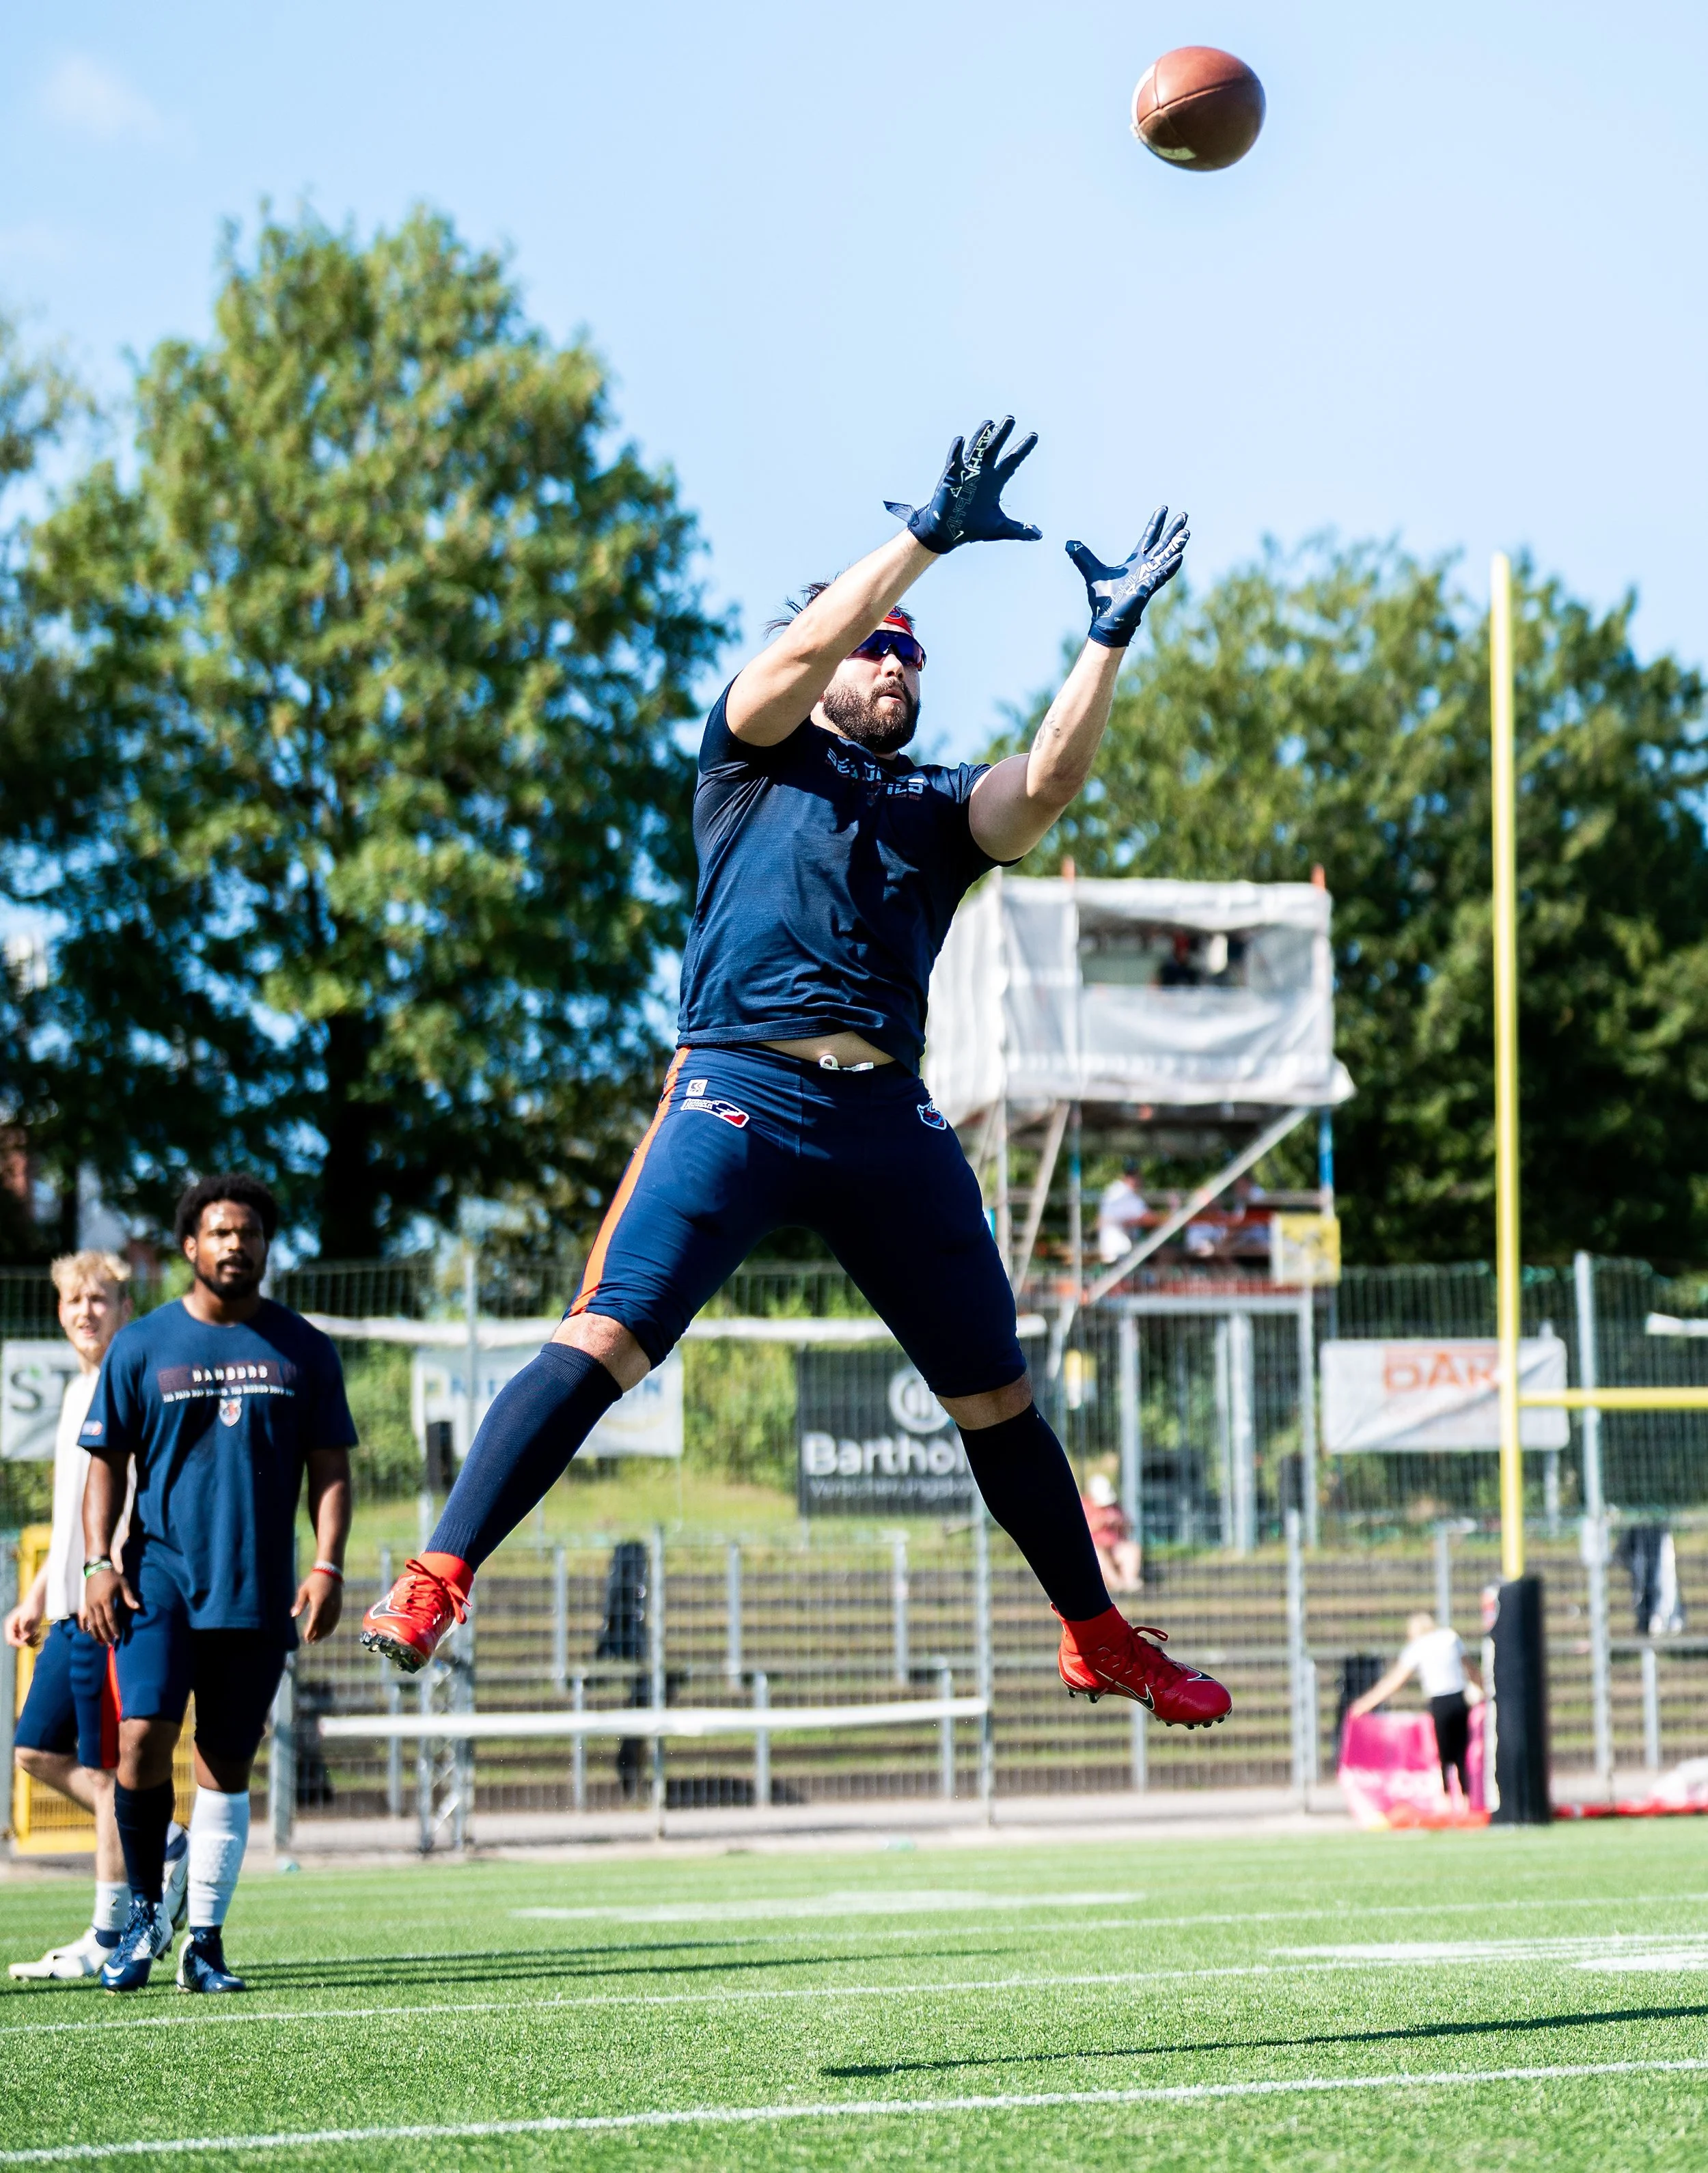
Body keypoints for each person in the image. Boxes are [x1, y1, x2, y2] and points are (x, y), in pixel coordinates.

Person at [363, 415, 1229, 1731]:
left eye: (914, 659)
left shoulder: (937, 807)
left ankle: (1098, 1635)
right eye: (879, 650)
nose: (897, 666)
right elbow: (804, 649)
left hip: (886, 1112)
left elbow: (1046, 786)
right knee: (606, 1336)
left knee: (997, 1396)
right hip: (738, 1093)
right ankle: (437, 1574)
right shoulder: (752, 754)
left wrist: (1106, 636)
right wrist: (928, 537)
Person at [79, 1174, 355, 1993]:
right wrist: (98, 1561)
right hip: (156, 1578)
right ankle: (139, 1918)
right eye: (221, 1232)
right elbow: (105, 1464)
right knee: (140, 1740)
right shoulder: (142, 1346)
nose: (237, 1244)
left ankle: (204, 1944)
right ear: (191, 1247)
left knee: (226, 1765)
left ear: (266, 1246)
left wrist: (328, 1562)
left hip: (256, 1587)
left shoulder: (303, 1348)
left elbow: (330, 1471)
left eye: (250, 1232)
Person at [5, 1252, 189, 1982]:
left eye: (101, 1298)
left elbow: (123, 1505)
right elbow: (75, 1510)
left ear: (123, 1305)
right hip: (63, 1602)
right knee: (34, 1750)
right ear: (60, 1310)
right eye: (76, 1299)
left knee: (105, 1768)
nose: (87, 1310)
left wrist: (101, 1574)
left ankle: (110, 1927)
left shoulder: (130, 1380)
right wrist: (37, 1593)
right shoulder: (77, 1387)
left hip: (100, 1604)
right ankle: (167, 1837)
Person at [1347, 1610, 1483, 1805]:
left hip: (1439, 1702)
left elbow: (1394, 1681)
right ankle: (1466, 1801)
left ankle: (1446, 1800)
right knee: (1461, 1752)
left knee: (1444, 1754)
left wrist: (1365, 1703)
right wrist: (1484, 1689)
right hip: (1460, 1700)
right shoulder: (1450, 1638)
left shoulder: (1418, 1647)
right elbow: (1471, 1670)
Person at [1082, 1472, 1141, 1593]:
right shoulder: (1083, 1506)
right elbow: (1080, 1534)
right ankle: (1116, 1584)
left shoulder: (1115, 1507)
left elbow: (1130, 1527)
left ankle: (1129, 1581)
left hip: (1114, 1547)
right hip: (1094, 1549)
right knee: (1098, 1554)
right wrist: (1099, 1523)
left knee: (1132, 1549)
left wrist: (1119, 1523)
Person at [1097, 1165, 1147, 1266]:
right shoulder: (1124, 1193)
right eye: (1134, 1176)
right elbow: (1146, 1218)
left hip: (1110, 1249)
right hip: (1120, 1251)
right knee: (1166, 1254)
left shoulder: (1114, 1190)